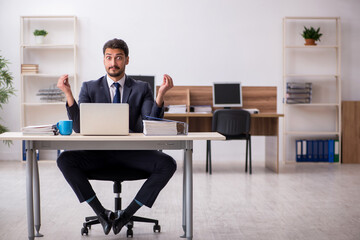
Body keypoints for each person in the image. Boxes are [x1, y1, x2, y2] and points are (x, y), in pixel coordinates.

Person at [56, 38, 177, 235]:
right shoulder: (89, 87)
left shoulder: (141, 87)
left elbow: (150, 123)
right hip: (97, 154)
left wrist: (160, 95)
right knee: (64, 159)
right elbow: (78, 126)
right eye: (109, 58)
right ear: (103, 60)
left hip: (132, 154)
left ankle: (127, 214)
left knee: (168, 164)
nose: (113, 63)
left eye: (118, 58)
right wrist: (68, 93)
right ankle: (101, 213)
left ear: (127, 60)